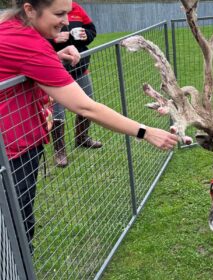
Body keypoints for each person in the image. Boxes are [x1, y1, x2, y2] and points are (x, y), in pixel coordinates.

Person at [0, 0, 178, 252]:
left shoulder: (11, 27)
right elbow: (85, 107)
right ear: (29, 10)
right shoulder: (27, 43)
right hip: (13, 152)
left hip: (17, 144)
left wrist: (54, 55)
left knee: (18, 222)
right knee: (16, 231)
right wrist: (145, 131)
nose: (66, 20)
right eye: (59, 13)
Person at [49, 1, 101, 167]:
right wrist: (53, 38)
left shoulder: (76, 7)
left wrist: (86, 34)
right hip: (56, 69)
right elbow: (35, 39)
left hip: (80, 68)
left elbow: (92, 31)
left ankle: (82, 137)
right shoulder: (44, 7)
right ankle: (59, 150)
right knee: (58, 110)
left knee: (88, 102)